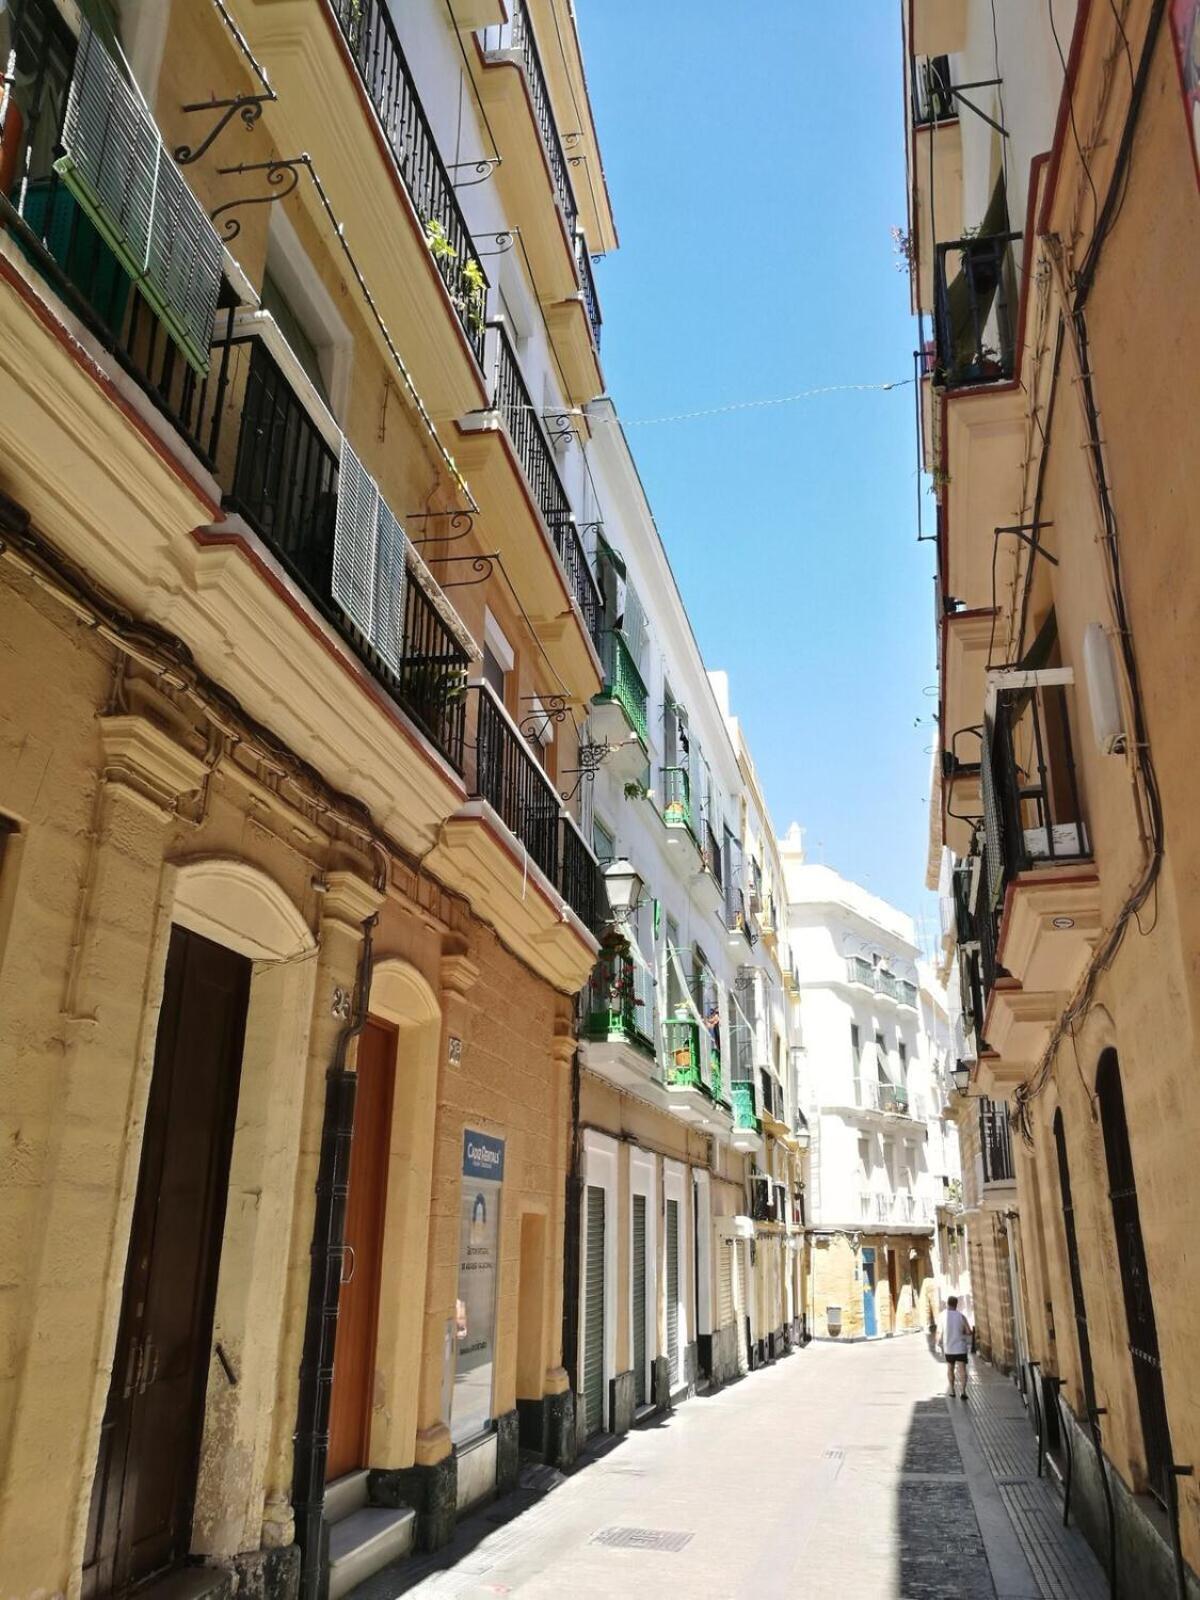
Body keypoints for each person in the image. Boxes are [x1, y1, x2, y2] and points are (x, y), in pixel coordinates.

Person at [936, 1294, 973, 1400]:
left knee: (950, 1369)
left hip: (949, 1348)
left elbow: (939, 1332)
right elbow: (969, 1331)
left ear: (947, 1304)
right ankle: (963, 1391)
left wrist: (937, 1344)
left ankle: (952, 1390)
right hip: (960, 1347)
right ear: (956, 1305)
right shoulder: (961, 1316)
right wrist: (963, 1332)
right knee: (962, 1370)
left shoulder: (942, 1316)